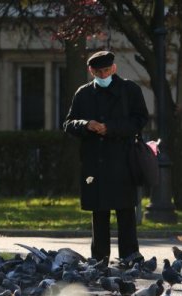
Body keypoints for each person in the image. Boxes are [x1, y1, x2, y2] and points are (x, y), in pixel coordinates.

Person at [63, 50, 149, 263]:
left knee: (125, 210)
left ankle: (129, 256)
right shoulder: (83, 93)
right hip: (95, 161)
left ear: (114, 68)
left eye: (106, 71)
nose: (103, 76)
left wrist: (110, 128)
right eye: (98, 72)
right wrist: (85, 125)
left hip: (122, 159)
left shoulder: (130, 90)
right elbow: (68, 123)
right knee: (99, 212)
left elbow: (139, 120)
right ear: (90, 71)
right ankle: (99, 258)